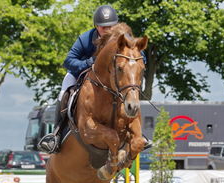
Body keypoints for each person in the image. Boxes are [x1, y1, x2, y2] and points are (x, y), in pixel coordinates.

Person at [38, 5, 151, 154]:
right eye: (103, 27)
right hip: (82, 74)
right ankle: (56, 135)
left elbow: (139, 57)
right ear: (96, 26)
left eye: (110, 26)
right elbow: (69, 61)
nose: (107, 30)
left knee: (130, 93)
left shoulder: (124, 40)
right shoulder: (86, 38)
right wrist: (89, 62)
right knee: (64, 92)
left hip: (112, 79)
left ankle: (137, 133)